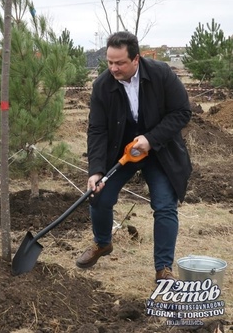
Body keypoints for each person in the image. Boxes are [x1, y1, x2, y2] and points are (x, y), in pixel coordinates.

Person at [76, 31, 192, 281]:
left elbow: (182, 112)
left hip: (159, 150)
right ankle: (103, 243)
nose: (113, 68)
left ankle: (163, 268)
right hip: (121, 151)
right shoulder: (102, 86)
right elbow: (97, 129)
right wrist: (96, 170)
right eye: (109, 62)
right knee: (100, 196)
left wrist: (150, 139)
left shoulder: (161, 74)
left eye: (120, 63)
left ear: (136, 59)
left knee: (164, 206)